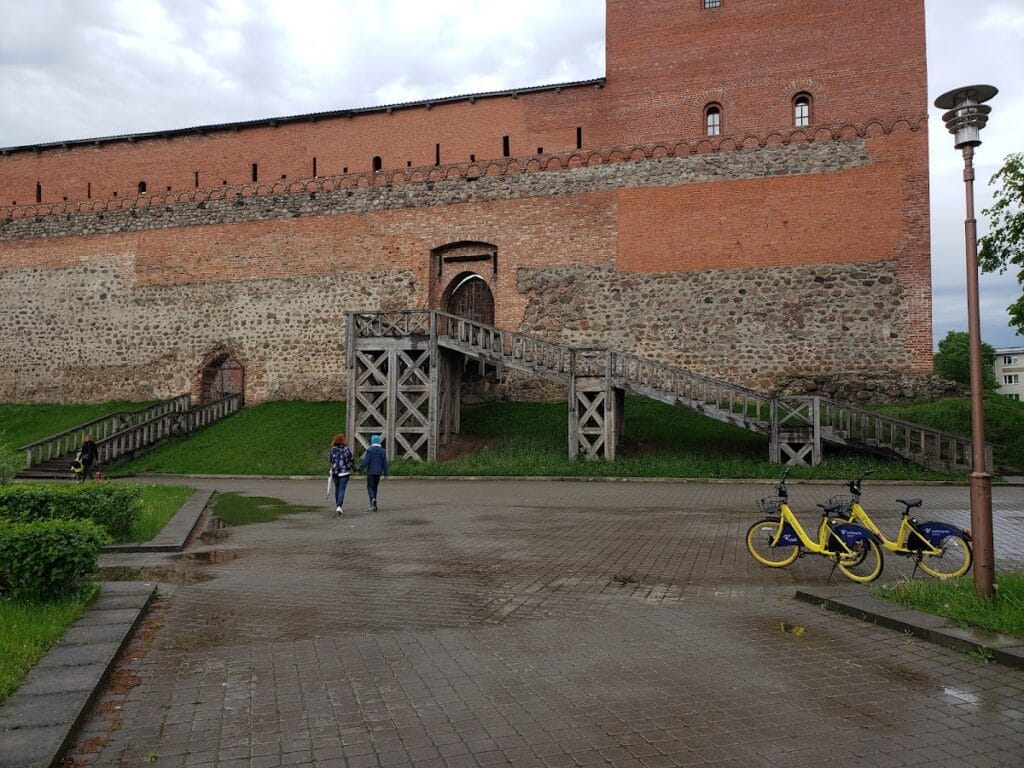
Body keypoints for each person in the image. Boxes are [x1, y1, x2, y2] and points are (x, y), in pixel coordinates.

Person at [358, 434, 388, 512]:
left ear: (372, 441)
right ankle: (374, 503)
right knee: (375, 487)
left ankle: (372, 499)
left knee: (369, 487)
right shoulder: (383, 451)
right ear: (378, 441)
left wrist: (360, 469)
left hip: (371, 471)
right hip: (378, 472)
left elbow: (366, 461)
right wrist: (386, 472)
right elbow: (384, 463)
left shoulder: (369, 450)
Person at [327, 433, 355, 517]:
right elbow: (351, 459)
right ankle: (339, 506)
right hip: (344, 472)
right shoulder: (346, 449)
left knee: (337, 489)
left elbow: (330, 459)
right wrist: (353, 467)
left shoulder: (332, 450)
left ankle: (338, 506)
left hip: (335, 472)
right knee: (342, 490)